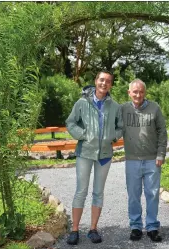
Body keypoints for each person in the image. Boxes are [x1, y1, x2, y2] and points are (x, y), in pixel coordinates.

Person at [65, 70, 123, 245]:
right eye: (101, 80)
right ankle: (74, 230)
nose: (104, 83)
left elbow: (120, 127)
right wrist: (82, 134)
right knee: (81, 191)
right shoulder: (82, 103)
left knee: (98, 192)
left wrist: (112, 137)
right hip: (85, 153)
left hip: (104, 156)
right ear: (96, 81)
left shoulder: (115, 106)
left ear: (111, 85)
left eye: (108, 81)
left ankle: (93, 229)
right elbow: (70, 122)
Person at [122, 79, 168, 242]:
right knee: (133, 195)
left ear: (145, 93)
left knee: (152, 194)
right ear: (129, 93)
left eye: (141, 91)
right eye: (135, 91)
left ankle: (152, 227)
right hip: (132, 160)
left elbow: (162, 131)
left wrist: (161, 154)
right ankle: (135, 227)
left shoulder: (154, 108)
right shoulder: (123, 109)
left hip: (152, 160)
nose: (138, 94)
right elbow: (113, 127)